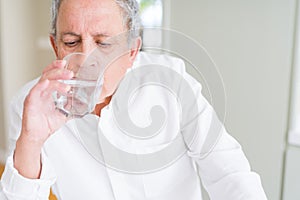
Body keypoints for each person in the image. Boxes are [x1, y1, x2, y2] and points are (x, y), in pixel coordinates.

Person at [0, 0, 267, 199]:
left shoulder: (171, 81)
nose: (86, 61)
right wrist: (31, 140)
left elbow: (230, 175)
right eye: (71, 42)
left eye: (103, 43)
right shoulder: (29, 106)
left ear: (132, 51)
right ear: (55, 45)